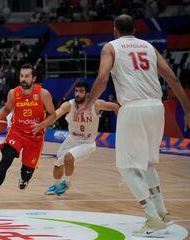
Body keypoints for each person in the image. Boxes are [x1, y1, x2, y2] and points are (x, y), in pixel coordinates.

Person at [76, 14, 190, 237]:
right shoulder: (148, 46)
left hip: (133, 108)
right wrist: (187, 109)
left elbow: (101, 79)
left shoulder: (111, 47)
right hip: (157, 107)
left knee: (126, 166)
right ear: (135, 29)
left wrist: (88, 105)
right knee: (146, 163)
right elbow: (172, 78)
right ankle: (163, 213)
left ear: (115, 30)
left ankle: (152, 216)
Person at [0, 63, 56, 209]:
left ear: (34, 78)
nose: (23, 79)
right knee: (5, 160)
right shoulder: (13, 93)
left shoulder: (43, 94)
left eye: (27, 76)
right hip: (17, 132)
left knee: (26, 172)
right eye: (21, 76)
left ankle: (24, 178)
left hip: (35, 136)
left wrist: (41, 125)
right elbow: (7, 109)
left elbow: (53, 115)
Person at [44, 81, 119, 196]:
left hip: (87, 143)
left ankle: (67, 183)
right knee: (57, 165)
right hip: (71, 140)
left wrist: (122, 123)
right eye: (76, 91)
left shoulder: (96, 104)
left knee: (68, 157)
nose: (78, 94)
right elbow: (55, 115)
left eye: (81, 91)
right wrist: (42, 124)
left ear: (88, 94)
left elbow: (114, 106)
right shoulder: (69, 105)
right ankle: (56, 185)